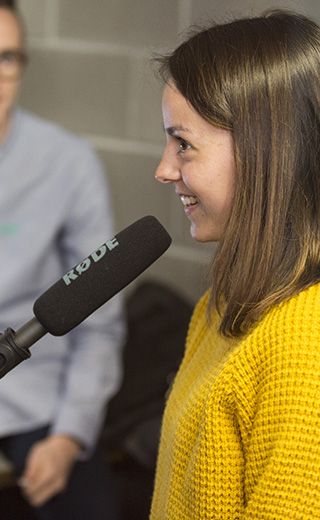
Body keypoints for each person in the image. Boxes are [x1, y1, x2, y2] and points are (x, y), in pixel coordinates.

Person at [151, 10, 320, 519]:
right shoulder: (218, 306)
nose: (163, 169)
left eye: (183, 144)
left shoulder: (304, 343)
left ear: (266, 150)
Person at [0, 2, 124, 519]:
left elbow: (99, 325)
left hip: (35, 403)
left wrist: (70, 435)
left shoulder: (67, 164)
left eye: (6, 58)